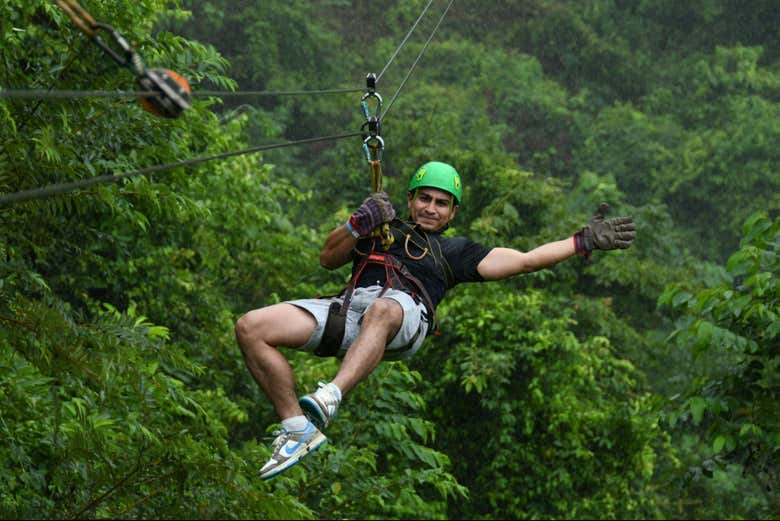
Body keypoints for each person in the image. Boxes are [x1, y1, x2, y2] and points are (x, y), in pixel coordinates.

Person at [235, 161, 636, 480]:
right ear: (410, 200)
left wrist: (579, 242)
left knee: (385, 308)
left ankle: (331, 396)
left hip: (403, 319)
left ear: (452, 212)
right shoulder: (381, 228)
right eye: (424, 199)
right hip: (350, 309)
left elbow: (525, 260)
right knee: (252, 326)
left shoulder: (455, 251)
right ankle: (296, 429)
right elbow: (327, 258)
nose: (430, 208)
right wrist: (359, 223)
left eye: (441, 203)